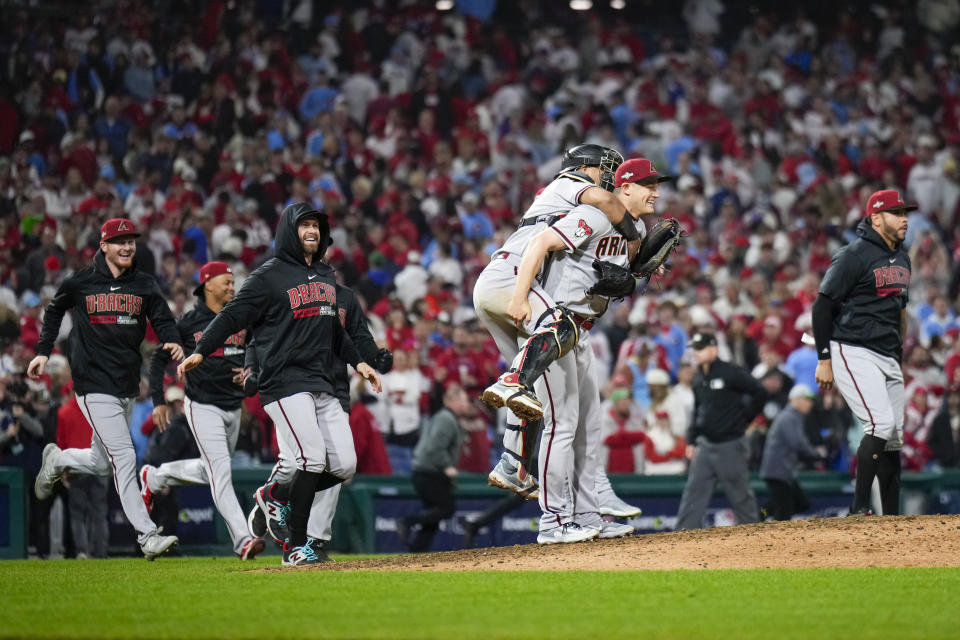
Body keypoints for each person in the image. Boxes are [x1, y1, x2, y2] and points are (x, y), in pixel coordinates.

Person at [178, 203, 382, 566]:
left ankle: (276, 495)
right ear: (289, 229)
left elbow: (333, 329)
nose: (312, 231)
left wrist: (360, 362)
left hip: (321, 383)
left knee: (345, 467)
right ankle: (296, 548)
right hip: (284, 382)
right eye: (304, 224)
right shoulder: (267, 275)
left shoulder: (323, 275)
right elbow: (230, 316)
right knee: (311, 459)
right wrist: (202, 350)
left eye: (316, 226)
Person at [500, 157, 674, 542]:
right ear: (624, 187)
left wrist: (639, 273)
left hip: (582, 332)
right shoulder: (594, 216)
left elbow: (624, 274)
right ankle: (553, 523)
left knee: (588, 429)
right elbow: (540, 243)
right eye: (649, 185)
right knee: (561, 427)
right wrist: (519, 297)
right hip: (554, 325)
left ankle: (589, 516)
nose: (656, 193)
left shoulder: (637, 229)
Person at [474, 143, 638, 494]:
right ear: (585, 167)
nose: (609, 175)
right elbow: (608, 202)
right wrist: (633, 237)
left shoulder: (557, 199)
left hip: (494, 281)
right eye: (604, 168)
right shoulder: (568, 182)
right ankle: (509, 382)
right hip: (512, 276)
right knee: (563, 328)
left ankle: (512, 466)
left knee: (530, 379)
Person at [28, 218, 184, 560]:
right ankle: (147, 535)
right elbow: (54, 311)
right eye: (120, 241)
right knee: (125, 456)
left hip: (125, 384)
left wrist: (172, 340)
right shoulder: (81, 281)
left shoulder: (143, 283)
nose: (127, 247)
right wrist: (43, 350)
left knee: (101, 461)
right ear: (104, 246)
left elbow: (161, 318)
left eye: (130, 241)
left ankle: (58, 459)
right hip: (91, 382)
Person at [244, 279, 392, 563]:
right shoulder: (286, 289)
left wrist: (376, 357)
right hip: (293, 387)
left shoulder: (345, 297)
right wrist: (252, 369)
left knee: (336, 466)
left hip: (334, 389)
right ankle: (274, 499)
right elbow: (258, 338)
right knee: (295, 462)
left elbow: (360, 337)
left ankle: (313, 539)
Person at [142, 260, 265, 561]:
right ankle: (242, 540)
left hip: (233, 407)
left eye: (233, 283)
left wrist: (250, 373)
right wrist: (158, 399)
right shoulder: (187, 323)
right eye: (226, 282)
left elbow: (258, 353)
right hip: (202, 405)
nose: (232, 287)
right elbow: (159, 359)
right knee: (220, 472)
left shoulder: (241, 319)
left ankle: (155, 478)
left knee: (210, 469)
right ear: (207, 284)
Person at [813, 189, 914, 516]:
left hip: (887, 353)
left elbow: (901, 310)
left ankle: (892, 517)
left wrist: (899, 354)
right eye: (897, 212)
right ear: (875, 218)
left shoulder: (903, 257)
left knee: (894, 437)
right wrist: (824, 358)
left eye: (905, 212)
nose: (904, 218)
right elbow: (822, 306)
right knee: (880, 425)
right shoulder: (854, 254)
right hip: (853, 348)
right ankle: (857, 510)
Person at [675, 332, 765, 530]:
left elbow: (759, 392)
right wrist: (691, 439)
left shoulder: (730, 372)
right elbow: (699, 411)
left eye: (700, 349)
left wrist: (743, 420)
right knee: (693, 494)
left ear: (713, 349)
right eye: (695, 349)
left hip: (730, 445)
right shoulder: (698, 378)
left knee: (740, 495)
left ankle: (754, 537)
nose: (696, 353)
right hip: (705, 446)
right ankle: (682, 537)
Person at [398, 384, 470, 552]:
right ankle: (407, 521)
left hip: (424, 471)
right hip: (429, 472)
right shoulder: (446, 418)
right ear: (453, 401)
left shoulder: (444, 417)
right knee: (446, 509)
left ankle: (417, 552)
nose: (467, 404)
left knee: (433, 517)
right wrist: (447, 466)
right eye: (465, 400)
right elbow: (434, 447)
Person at [759, 384, 826, 521]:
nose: (810, 404)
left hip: (784, 471)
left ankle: (759, 515)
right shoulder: (789, 417)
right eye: (807, 399)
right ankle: (760, 518)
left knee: (799, 503)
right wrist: (816, 453)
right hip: (778, 471)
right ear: (796, 400)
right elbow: (796, 442)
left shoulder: (793, 416)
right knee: (784, 511)